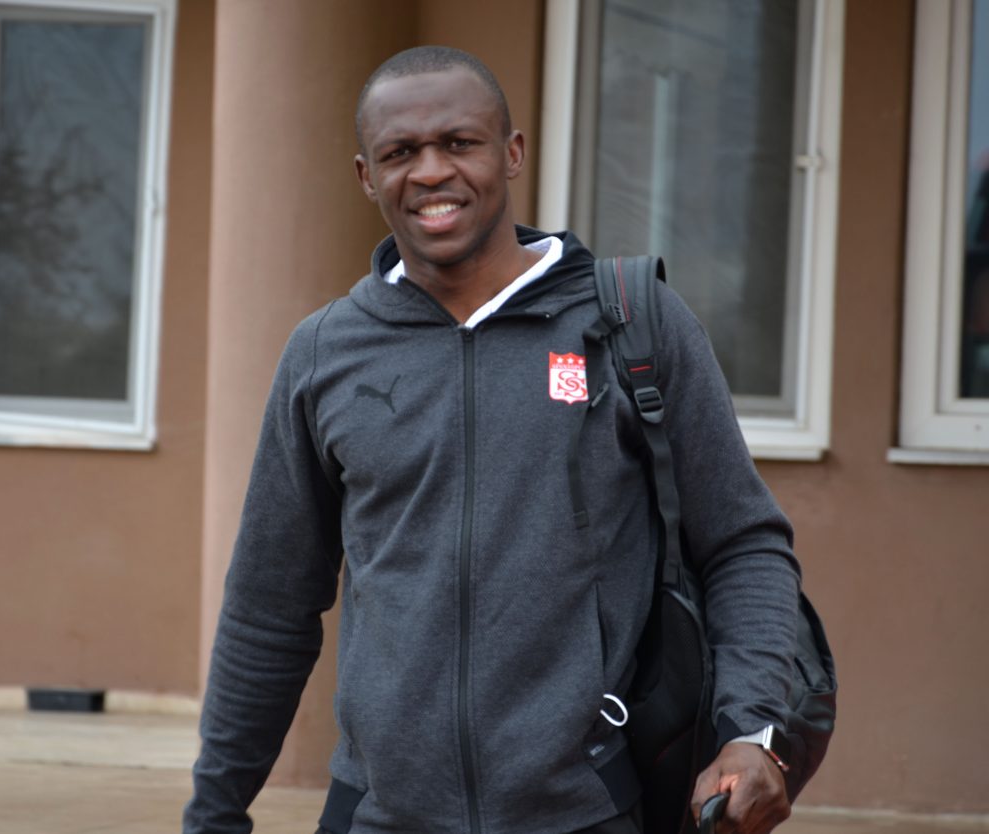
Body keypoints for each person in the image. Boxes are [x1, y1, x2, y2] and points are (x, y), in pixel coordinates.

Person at [184, 46, 800, 834]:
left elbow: (743, 544)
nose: (431, 171)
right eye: (400, 153)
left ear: (511, 153)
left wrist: (752, 730)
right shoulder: (325, 354)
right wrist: (215, 812)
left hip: (587, 810)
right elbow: (269, 607)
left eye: (459, 143)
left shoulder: (630, 325)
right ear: (368, 176)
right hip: (381, 813)